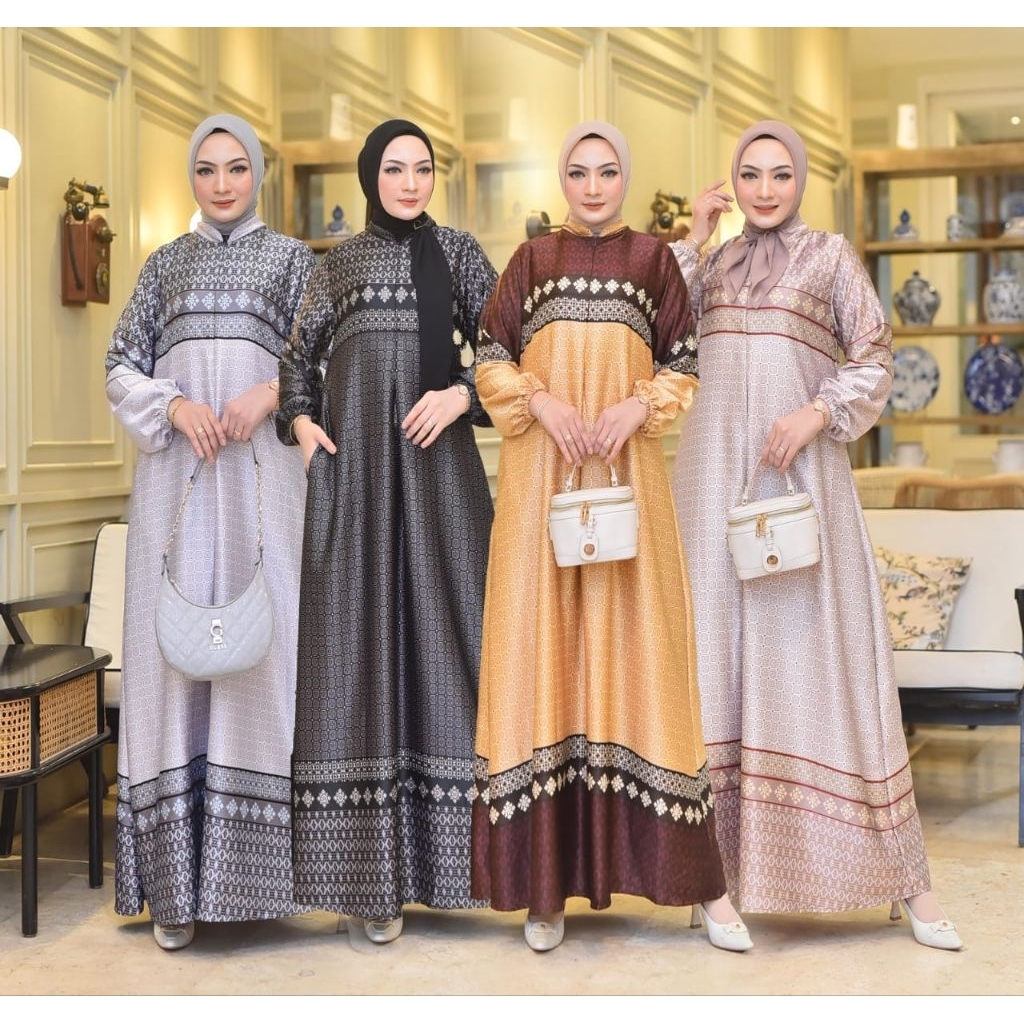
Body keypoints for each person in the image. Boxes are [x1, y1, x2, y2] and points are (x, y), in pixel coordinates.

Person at [668, 119, 963, 951]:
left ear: (801, 181)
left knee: (826, 665)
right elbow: (657, 333)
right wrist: (693, 239)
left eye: (780, 175)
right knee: (715, 666)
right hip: (712, 482)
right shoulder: (712, 265)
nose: (765, 190)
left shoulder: (830, 257)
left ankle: (904, 880)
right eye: (750, 175)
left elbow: (875, 356)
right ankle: (713, 882)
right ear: (734, 183)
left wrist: (816, 412)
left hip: (800, 485)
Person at [470, 120, 748, 954]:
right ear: (564, 179)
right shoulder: (531, 261)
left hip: (629, 480)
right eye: (579, 172)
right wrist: (541, 401)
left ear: (625, 177)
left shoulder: (654, 262)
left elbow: (685, 360)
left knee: (647, 657)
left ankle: (701, 888)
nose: (593, 187)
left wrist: (639, 405)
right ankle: (544, 891)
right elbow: (487, 355)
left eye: (607, 172)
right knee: (540, 659)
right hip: (540, 484)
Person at [277, 118, 498, 946]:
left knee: (457, 643)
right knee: (357, 660)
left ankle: (462, 868)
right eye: (395, 169)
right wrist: (303, 426)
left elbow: (512, 349)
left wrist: (462, 393)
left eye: (423, 169)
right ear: (371, 176)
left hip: (442, 488)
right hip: (359, 488)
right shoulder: (336, 265)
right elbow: (296, 362)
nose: (410, 183)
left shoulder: (460, 254)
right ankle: (370, 884)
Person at [104, 113, 315, 950]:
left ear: (258, 173)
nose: (222, 183)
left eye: (236, 167)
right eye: (206, 169)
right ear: (192, 177)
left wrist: (272, 392)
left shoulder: (294, 262)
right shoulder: (164, 265)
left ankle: (255, 884)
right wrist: (177, 405)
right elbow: (119, 367)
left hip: (265, 492)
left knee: (266, 661)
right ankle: (176, 890)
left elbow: (328, 361)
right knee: (171, 667)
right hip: (178, 493)